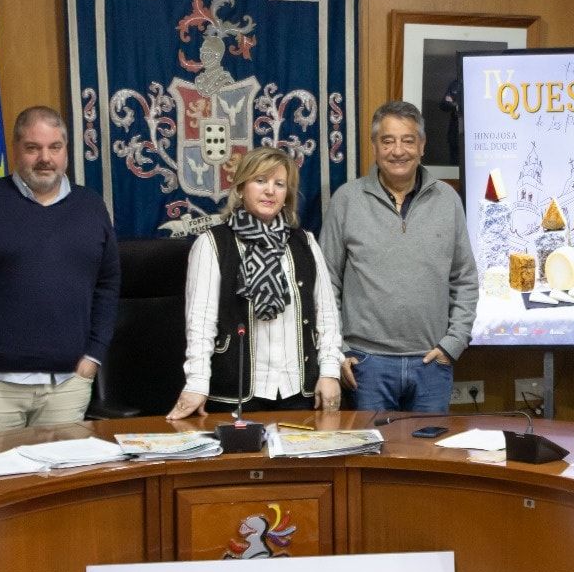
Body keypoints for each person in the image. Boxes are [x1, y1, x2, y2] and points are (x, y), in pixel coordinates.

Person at [0, 106, 120, 436]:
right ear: (16, 149)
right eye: (33, 148)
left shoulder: (91, 207)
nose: (44, 158)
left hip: (67, 386)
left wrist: (94, 357)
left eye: (54, 147)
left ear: (66, 150)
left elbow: (107, 284)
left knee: (60, 486)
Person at [320, 100, 477, 413]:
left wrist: (453, 344)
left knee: (429, 459)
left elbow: (465, 279)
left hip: (432, 364)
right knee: (372, 459)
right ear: (375, 146)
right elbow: (326, 284)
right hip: (366, 366)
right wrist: (339, 351)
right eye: (387, 141)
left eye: (408, 140)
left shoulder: (447, 201)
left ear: (421, 146)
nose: (398, 151)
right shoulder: (347, 200)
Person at [167, 147, 342, 419]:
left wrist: (330, 372)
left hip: (298, 392)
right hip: (235, 392)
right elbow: (200, 324)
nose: (270, 191)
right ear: (240, 189)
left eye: (279, 184)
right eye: (260, 181)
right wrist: (197, 383)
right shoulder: (213, 243)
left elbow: (327, 317)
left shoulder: (305, 242)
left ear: (287, 195)